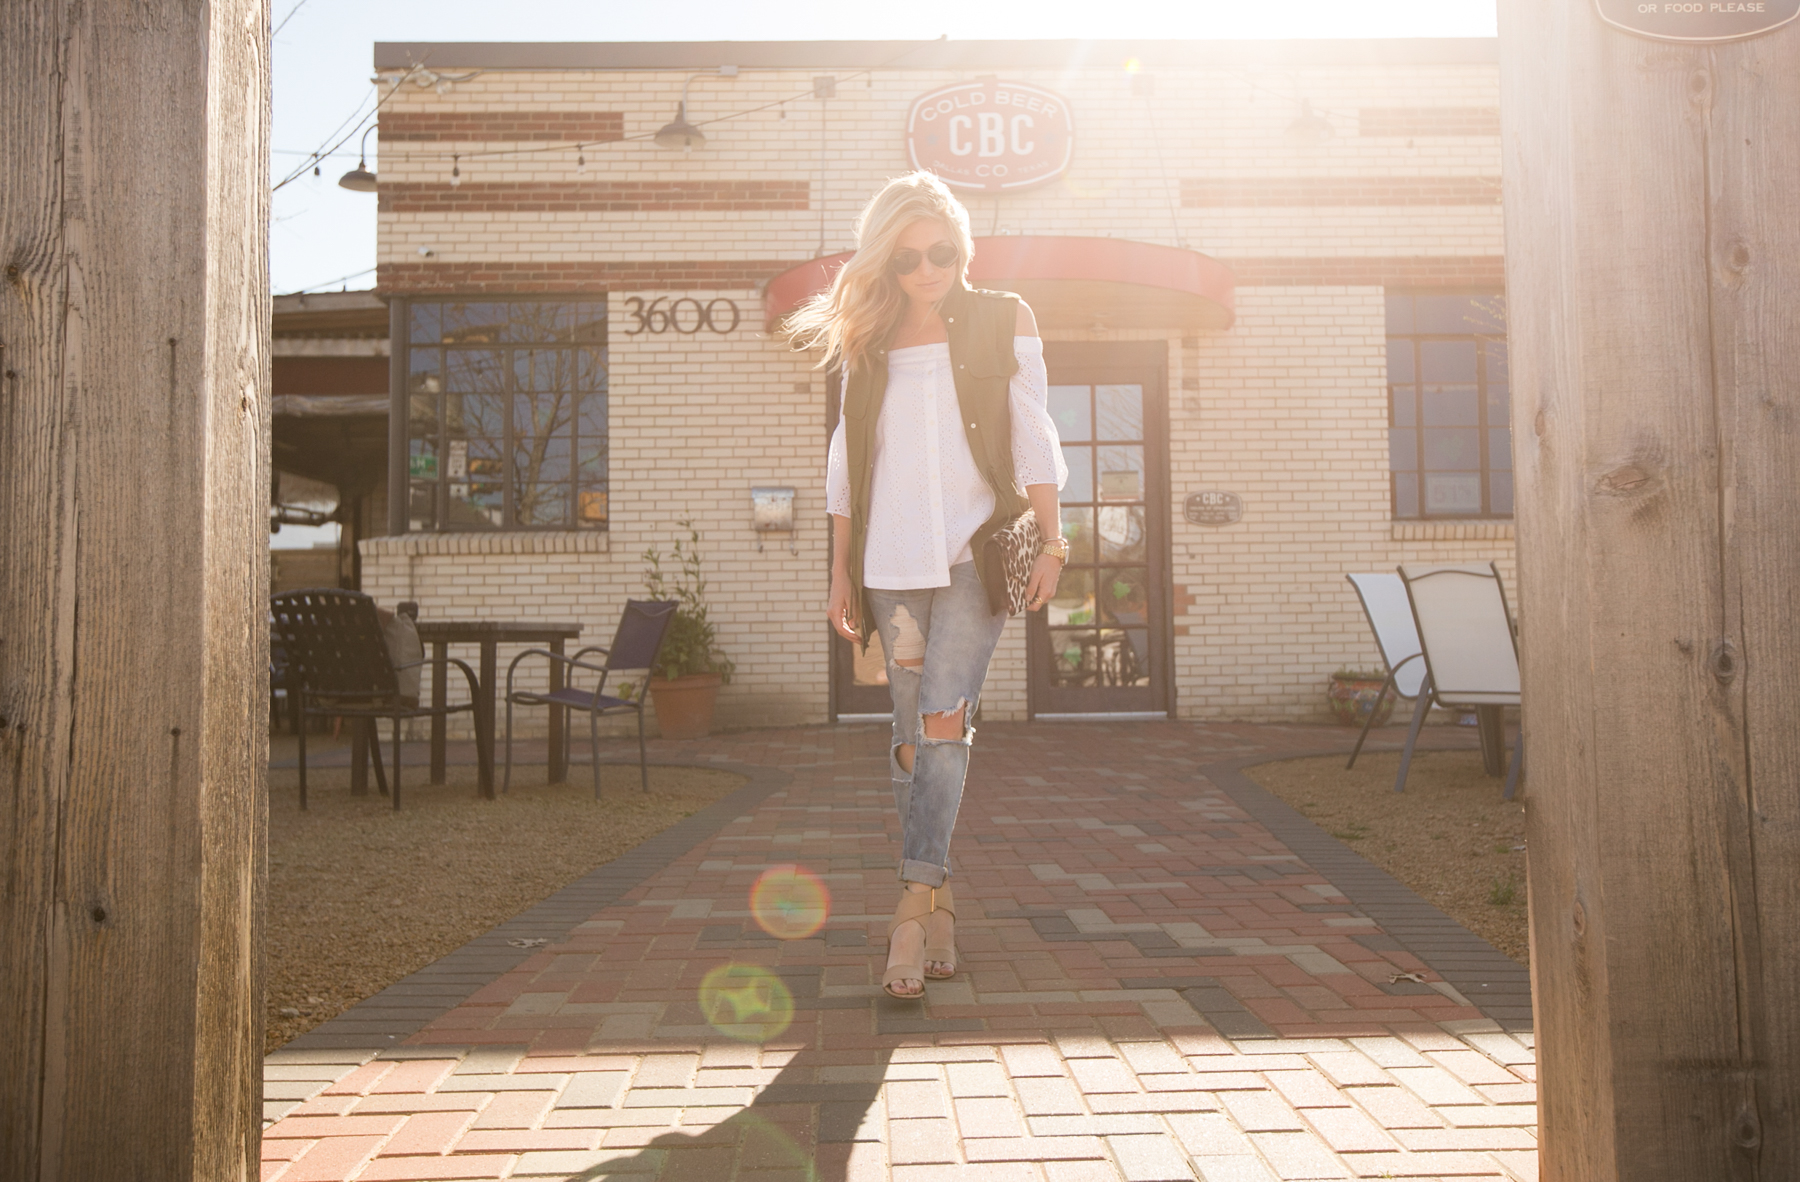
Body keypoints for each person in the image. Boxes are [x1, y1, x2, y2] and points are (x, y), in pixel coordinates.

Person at [792, 172, 1069, 999]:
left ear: (962, 245)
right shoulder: (869, 331)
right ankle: (941, 909)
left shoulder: (1003, 316)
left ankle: (908, 912)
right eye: (908, 256)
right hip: (888, 566)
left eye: (941, 251)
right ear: (888, 257)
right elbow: (850, 453)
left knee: (946, 720)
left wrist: (1055, 538)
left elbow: (1032, 432)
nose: (926, 269)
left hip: (973, 560)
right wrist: (839, 566)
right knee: (912, 735)